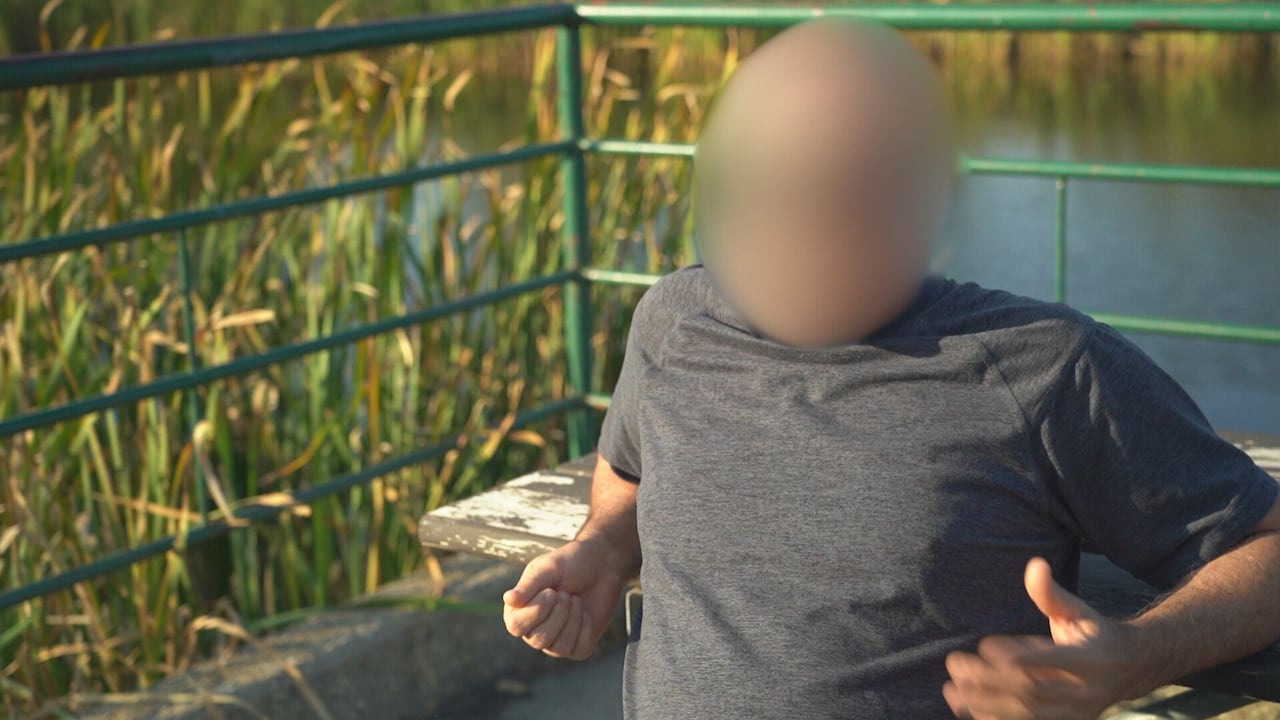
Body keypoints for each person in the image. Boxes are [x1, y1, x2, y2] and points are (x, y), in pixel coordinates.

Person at [501, 18, 1280, 720]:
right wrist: (604, 547)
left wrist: (1130, 659)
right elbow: (628, 472)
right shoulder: (672, 321)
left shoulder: (1044, 366)